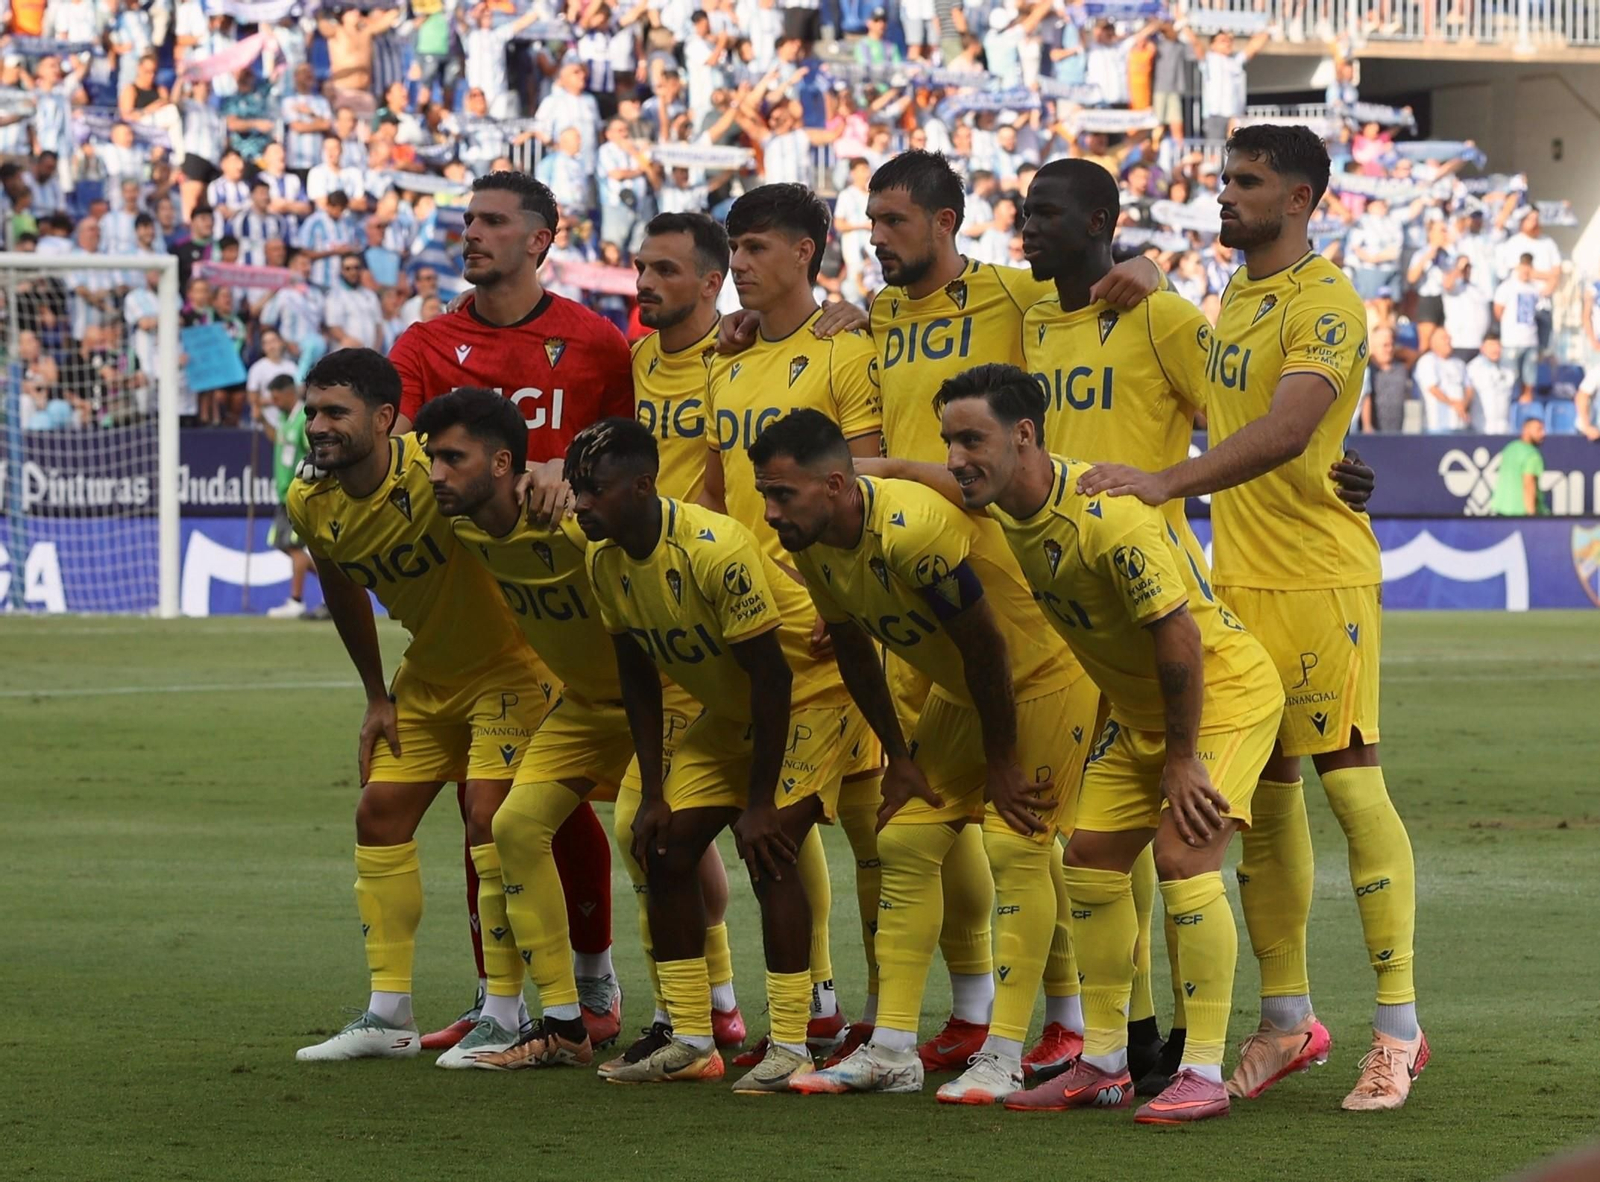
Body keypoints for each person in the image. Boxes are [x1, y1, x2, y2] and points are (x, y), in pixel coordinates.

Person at [1078, 125, 1428, 1112]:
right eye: (1224, 179)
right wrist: (1152, 281)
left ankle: (1398, 1031)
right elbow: (1221, 386)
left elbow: (1285, 429)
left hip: (1320, 580)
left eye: (1247, 183)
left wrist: (1163, 481)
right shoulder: (1237, 297)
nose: (1225, 195)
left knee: (1352, 793)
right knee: (1267, 805)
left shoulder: (1326, 300)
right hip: (1240, 585)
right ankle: (1286, 1021)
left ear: (1302, 198)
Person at [809, 148, 1161, 1077]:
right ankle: (979, 1022)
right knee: (942, 823)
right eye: (870, 223)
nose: (877, 240)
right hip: (903, 580)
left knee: (1037, 831)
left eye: (893, 222)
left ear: (947, 221)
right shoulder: (873, 318)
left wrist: (1153, 262)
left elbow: (1107, 272)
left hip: (1011, 582)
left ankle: (1081, 1022)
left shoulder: (1013, 294)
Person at [887, 362, 1285, 1123]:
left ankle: (1200, 1068)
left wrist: (1180, 757)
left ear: (1024, 434)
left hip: (1221, 700)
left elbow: (1178, 636)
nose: (956, 457)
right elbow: (918, 474)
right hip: (1141, 717)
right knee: (1090, 865)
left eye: (971, 439)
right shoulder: (1006, 504)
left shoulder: (1106, 517)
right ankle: (1102, 1063)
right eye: (949, 440)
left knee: (1181, 857)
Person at [753, 410, 1096, 1103]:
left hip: (1044, 678)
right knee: (904, 838)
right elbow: (852, 646)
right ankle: (892, 1051)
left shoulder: (912, 531)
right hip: (965, 692)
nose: (768, 512)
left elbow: (989, 647)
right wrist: (898, 756)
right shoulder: (813, 540)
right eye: (764, 494)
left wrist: (1000, 762)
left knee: (1017, 848)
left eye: (781, 495)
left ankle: (1005, 1055)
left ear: (836, 486)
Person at [388, 170, 629, 1052]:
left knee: (543, 809)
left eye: (493, 222)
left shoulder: (596, 344)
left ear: (541, 238)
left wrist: (571, 471)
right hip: (472, 610)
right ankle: (508, 1000)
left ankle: (590, 987)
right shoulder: (422, 345)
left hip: (566, 605)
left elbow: (624, 462)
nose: (473, 234)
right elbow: (412, 465)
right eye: (468, 221)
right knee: (485, 809)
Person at [570, 418, 865, 1092]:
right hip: (737, 709)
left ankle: (791, 1043)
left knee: (771, 847)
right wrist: (652, 790)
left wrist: (759, 805)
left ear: (642, 486)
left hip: (812, 696)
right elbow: (638, 677)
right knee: (666, 846)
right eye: (576, 488)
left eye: (595, 489)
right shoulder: (604, 557)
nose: (580, 503)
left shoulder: (714, 548)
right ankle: (693, 1039)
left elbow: (776, 678)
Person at [288, 348, 553, 1064]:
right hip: (429, 676)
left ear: (383, 419)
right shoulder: (309, 501)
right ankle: (389, 1014)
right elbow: (342, 587)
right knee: (378, 812)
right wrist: (377, 694)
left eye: (335, 412)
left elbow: (516, 483)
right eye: (312, 411)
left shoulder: (434, 469)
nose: (318, 425)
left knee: (487, 817)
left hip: (510, 668)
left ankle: (505, 1010)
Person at [703, 183, 882, 1064]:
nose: (738, 264)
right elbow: (711, 485)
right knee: (798, 816)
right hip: (748, 624)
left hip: (828, 621)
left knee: (874, 826)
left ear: (807, 253)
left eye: (757, 248)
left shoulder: (847, 348)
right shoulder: (723, 356)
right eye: (734, 247)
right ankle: (820, 1001)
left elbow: (869, 476)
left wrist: (843, 601)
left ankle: (900, 1018)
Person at [620, 212, 749, 1065]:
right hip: (656, 614)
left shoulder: (736, 356)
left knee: (773, 826)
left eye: (665, 270)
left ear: (712, 283)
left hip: (730, 606)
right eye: (640, 267)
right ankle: (714, 1009)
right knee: (652, 824)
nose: (644, 283)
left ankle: (806, 1004)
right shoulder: (636, 360)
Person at [262, 375, 317, 620]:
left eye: (276, 397)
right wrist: (262, 420)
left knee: (292, 545)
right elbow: (281, 441)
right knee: (283, 544)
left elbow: (313, 449)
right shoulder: (286, 418)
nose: (274, 402)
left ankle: (296, 601)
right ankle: (338, 583)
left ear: (288, 393)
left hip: (298, 494)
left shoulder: (305, 419)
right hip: (283, 494)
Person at [1492, 253, 1542, 403]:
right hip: (1511, 340)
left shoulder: (1534, 288)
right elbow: (1498, 312)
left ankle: (1526, 402)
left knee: (1529, 376)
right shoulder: (1507, 287)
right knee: (1509, 377)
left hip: (1531, 339)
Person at [1415, 327, 1471, 434]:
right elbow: (1432, 389)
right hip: (1436, 426)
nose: (1448, 341)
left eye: (1449, 338)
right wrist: (1455, 404)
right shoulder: (1427, 361)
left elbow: (1469, 387)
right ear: (1432, 343)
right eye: (1444, 338)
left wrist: (1464, 403)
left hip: (1460, 425)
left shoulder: (1459, 363)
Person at [1489, 416, 1547, 517]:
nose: (1543, 434)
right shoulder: (1532, 455)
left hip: (1500, 510)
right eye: (1539, 429)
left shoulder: (1510, 448)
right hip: (1521, 514)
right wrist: (1532, 517)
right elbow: (1528, 485)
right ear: (1526, 430)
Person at [1359, 326, 1412, 433]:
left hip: (1398, 434)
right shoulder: (1365, 370)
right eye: (1385, 345)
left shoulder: (1401, 369)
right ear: (1373, 346)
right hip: (1370, 434)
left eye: (1392, 344)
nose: (1390, 349)